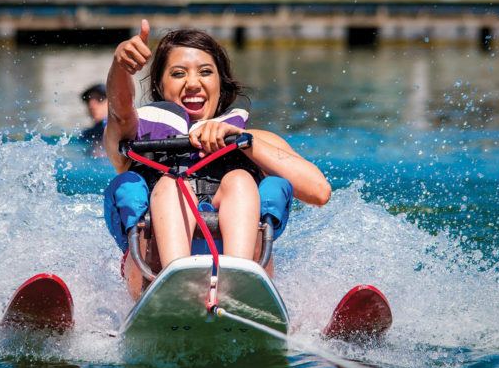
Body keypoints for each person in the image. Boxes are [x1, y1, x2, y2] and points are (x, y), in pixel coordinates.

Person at [103, 19, 331, 272]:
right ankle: (176, 277)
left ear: (220, 84)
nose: (192, 83)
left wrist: (243, 141)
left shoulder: (251, 139)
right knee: (172, 183)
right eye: (178, 73)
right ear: (159, 84)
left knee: (240, 179)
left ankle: (239, 276)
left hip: (240, 271)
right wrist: (120, 67)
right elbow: (120, 113)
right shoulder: (138, 137)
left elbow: (319, 192)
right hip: (156, 272)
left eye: (205, 72)